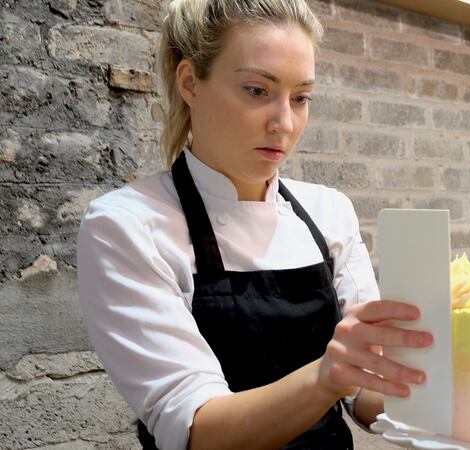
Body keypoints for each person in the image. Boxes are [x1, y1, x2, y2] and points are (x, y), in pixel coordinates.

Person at [76, 0, 433, 448]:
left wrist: (436, 383)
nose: (284, 123)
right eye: (257, 91)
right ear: (190, 83)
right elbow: (196, 430)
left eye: (301, 98)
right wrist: (326, 378)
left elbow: (364, 391)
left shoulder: (328, 212)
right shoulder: (127, 226)